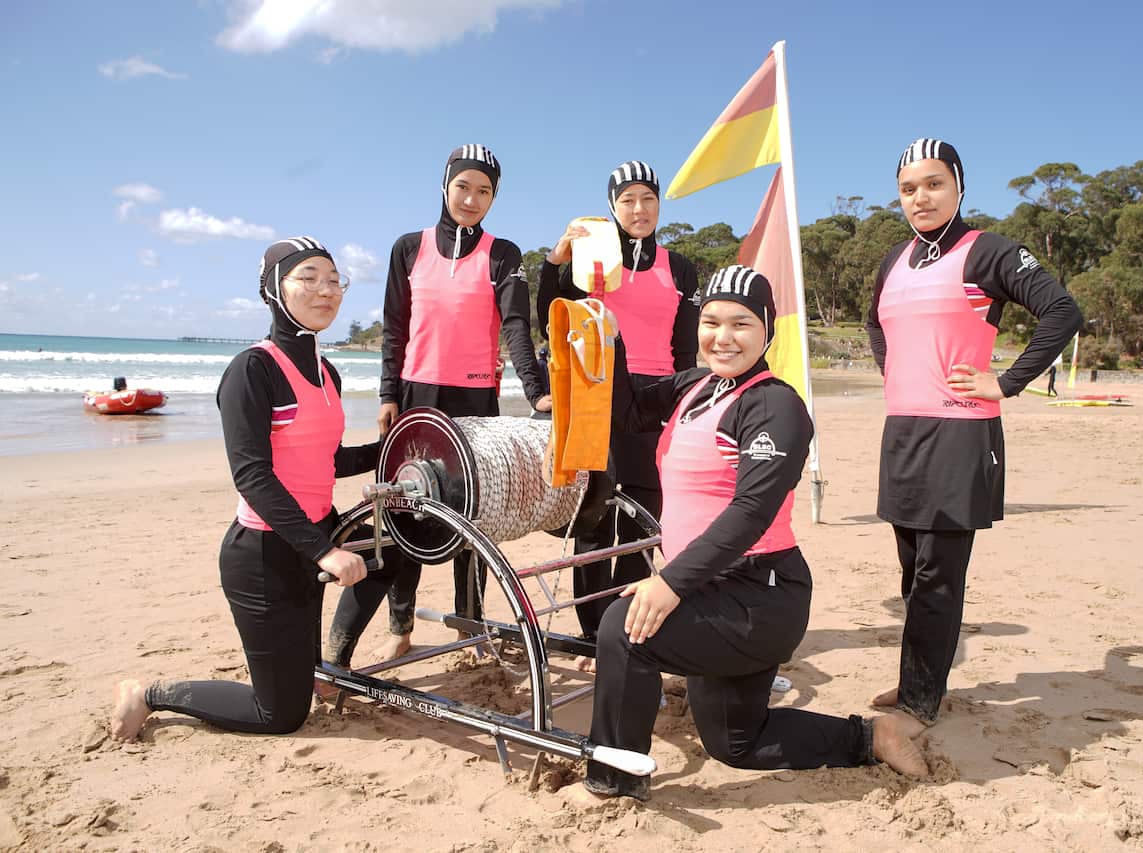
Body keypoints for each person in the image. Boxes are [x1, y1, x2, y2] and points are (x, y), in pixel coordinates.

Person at [578, 265, 928, 802]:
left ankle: (615, 780)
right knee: (737, 742)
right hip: (711, 589)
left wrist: (669, 584)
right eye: (712, 321)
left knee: (624, 631)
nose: (723, 337)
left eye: (741, 324)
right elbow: (624, 409)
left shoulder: (775, 405)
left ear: (767, 329)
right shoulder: (696, 387)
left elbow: (752, 511)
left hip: (757, 596)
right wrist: (611, 337)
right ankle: (871, 737)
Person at [111, 237, 378, 741]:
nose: (326, 290)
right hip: (263, 556)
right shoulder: (253, 370)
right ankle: (147, 694)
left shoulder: (328, 372)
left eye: (334, 279)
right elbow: (252, 474)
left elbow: (328, 459)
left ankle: (310, 670)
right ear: (274, 289)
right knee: (279, 716)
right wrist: (324, 550)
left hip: (313, 540)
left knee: (397, 555)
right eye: (309, 278)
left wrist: (395, 446)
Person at [864, 139, 1082, 737]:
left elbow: (1061, 312)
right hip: (903, 431)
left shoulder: (988, 251)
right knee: (911, 569)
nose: (921, 197)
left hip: (960, 434)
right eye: (909, 188)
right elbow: (874, 324)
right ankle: (919, 679)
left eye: (934, 184)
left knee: (938, 571)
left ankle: (920, 702)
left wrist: (1005, 382)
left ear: (959, 186)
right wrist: (900, 374)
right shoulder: (893, 260)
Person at [324, 145, 551, 667]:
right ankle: (401, 627)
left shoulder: (503, 254)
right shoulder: (409, 248)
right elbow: (395, 327)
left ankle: (470, 628)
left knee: (474, 514)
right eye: (463, 187)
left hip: (475, 400)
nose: (472, 199)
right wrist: (386, 393)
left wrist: (535, 389)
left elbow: (516, 325)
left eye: (485, 191)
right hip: (415, 395)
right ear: (445, 186)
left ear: (495, 197)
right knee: (405, 513)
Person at [536, 161, 700, 642]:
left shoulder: (680, 267)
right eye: (627, 199)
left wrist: (686, 398)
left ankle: (624, 624)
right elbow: (552, 312)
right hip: (598, 391)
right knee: (594, 513)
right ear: (613, 206)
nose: (639, 208)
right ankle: (592, 628)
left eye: (648, 198)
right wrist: (556, 259)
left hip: (656, 397)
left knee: (645, 513)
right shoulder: (592, 260)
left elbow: (684, 347)